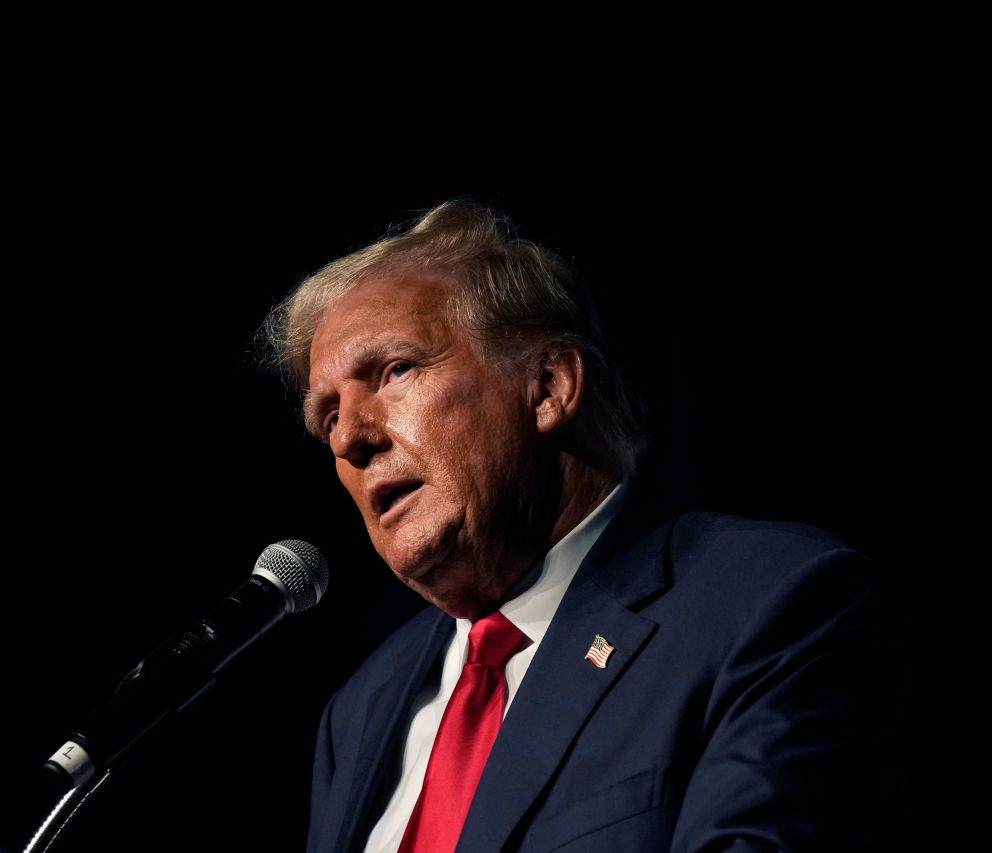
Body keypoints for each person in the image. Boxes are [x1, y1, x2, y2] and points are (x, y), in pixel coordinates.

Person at [262, 200, 898, 852]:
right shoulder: (359, 712)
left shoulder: (764, 602)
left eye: (395, 370)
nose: (352, 439)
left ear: (549, 386)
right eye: (328, 416)